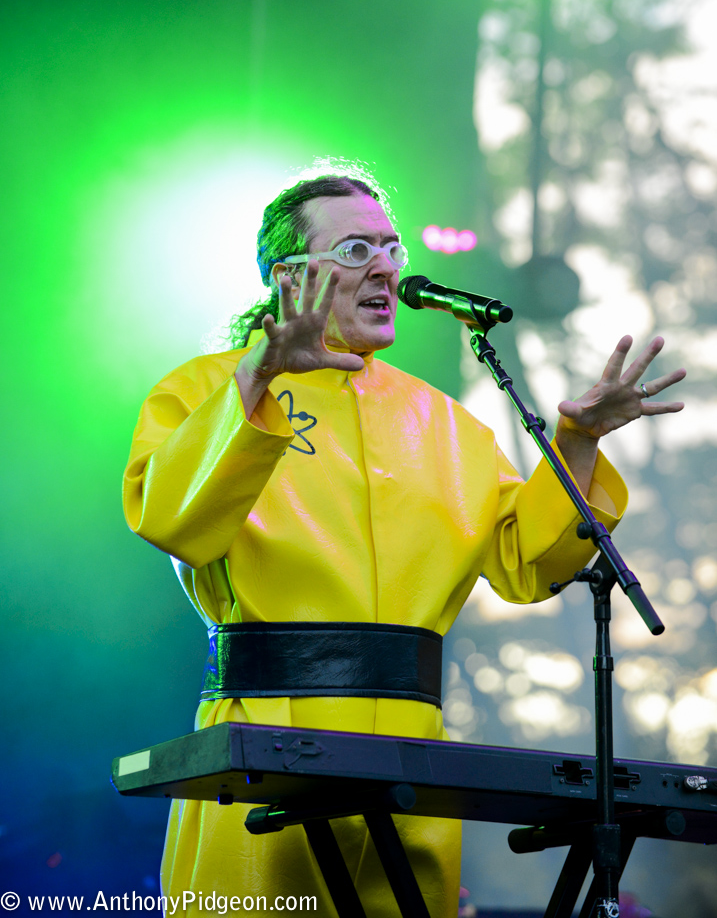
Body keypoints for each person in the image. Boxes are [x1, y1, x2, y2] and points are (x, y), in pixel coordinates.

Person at [123, 172, 685, 917]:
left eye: (390, 247)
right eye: (355, 248)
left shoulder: (446, 422)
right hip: (267, 733)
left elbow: (527, 565)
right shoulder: (202, 390)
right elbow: (171, 518)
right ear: (288, 276)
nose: (386, 266)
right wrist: (257, 373)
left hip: (414, 746)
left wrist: (577, 442)